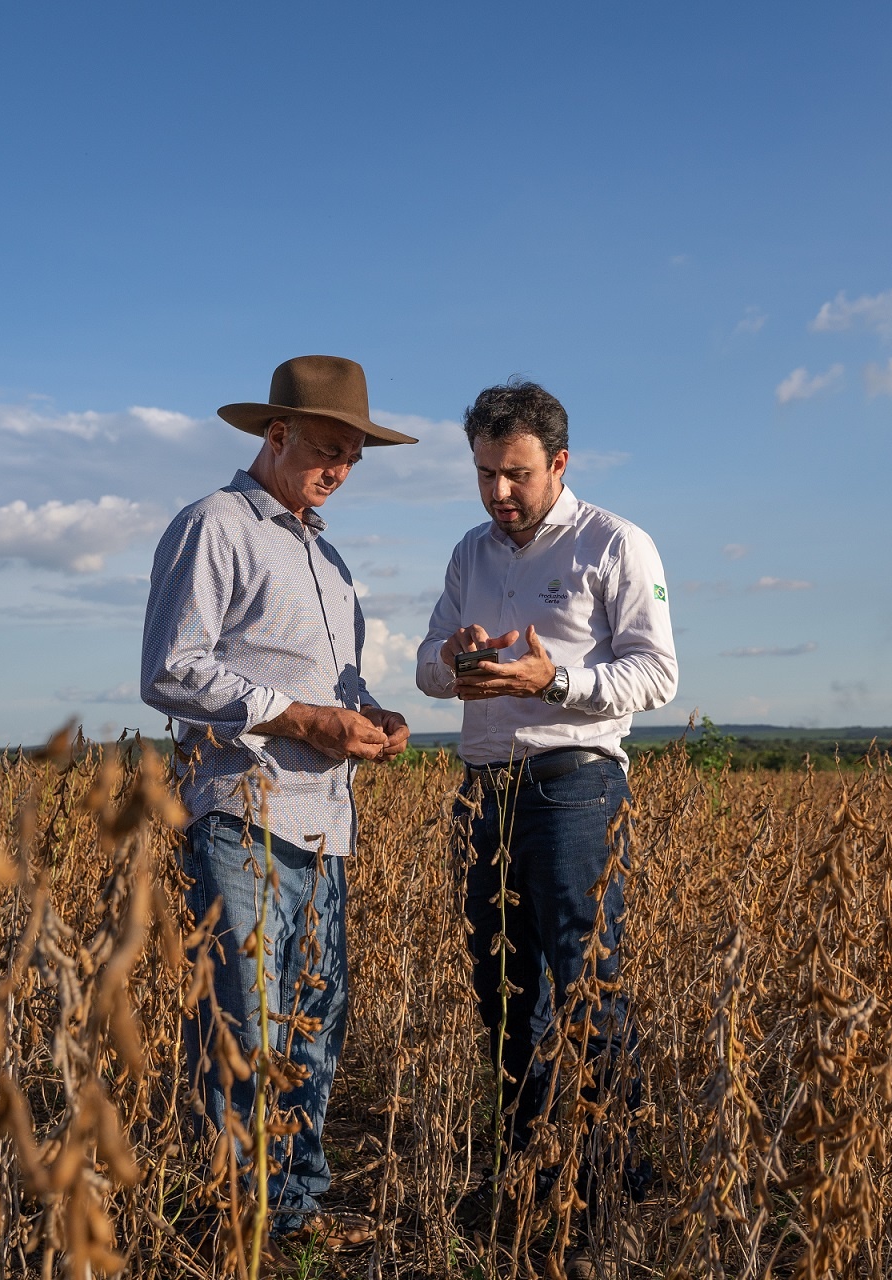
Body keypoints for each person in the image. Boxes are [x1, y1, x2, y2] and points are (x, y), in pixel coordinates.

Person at [141, 354, 414, 1249]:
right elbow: (171, 669)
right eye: (326, 449)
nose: (338, 469)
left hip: (326, 826)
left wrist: (367, 718)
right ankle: (230, 1225)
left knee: (313, 1033)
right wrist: (300, 717)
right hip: (239, 817)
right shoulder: (213, 526)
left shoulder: (326, 556)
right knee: (244, 1028)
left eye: (352, 457)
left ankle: (290, 1216)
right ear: (276, 435)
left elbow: (321, 685)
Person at [415, 379, 676, 1273]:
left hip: (576, 784)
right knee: (501, 984)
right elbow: (426, 664)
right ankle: (527, 1168)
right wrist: (453, 663)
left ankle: (610, 1176)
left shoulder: (617, 542)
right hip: (481, 788)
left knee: (584, 977)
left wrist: (552, 682)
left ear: (559, 464)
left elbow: (657, 674)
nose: (498, 493)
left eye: (515, 473)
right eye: (485, 473)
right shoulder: (467, 552)